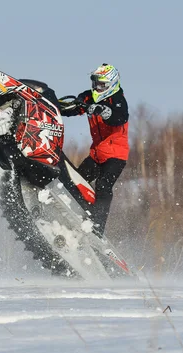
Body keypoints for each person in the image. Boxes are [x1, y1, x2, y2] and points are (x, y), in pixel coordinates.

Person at [59, 64, 129, 237]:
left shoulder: (118, 99)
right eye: (95, 84)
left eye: (101, 85)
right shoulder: (91, 97)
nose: (97, 88)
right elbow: (76, 107)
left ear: (111, 84)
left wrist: (103, 110)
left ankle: (97, 229)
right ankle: (72, 215)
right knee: (75, 181)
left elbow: (119, 117)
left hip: (116, 156)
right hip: (97, 154)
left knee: (103, 186)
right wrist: (55, 106)